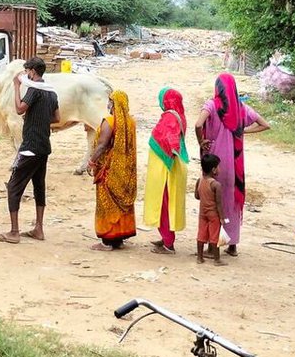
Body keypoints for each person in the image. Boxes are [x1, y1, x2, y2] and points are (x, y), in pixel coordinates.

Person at [194, 73, 269, 256]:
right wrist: (242, 130)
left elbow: (198, 124)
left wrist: (201, 141)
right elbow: (264, 124)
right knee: (232, 201)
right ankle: (232, 244)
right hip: (235, 165)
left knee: (213, 202)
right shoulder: (241, 108)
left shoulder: (212, 105)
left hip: (214, 165)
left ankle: (213, 245)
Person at [0, 57, 59, 245]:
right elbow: (57, 117)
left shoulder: (34, 90)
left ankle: (14, 232)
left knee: (14, 187)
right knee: (39, 186)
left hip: (30, 146)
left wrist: (16, 87)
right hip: (44, 146)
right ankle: (39, 228)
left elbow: (20, 109)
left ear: (31, 72)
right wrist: (41, 119)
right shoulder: (51, 92)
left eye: (26, 71)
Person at [86, 89, 137, 250]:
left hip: (109, 169)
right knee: (121, 203)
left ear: (114, 104)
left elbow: (102, 145)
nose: (108, 104)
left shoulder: (109, 121)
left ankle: (107, 241)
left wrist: (91, 161)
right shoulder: (130, 122)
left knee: (106, 203)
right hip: (125, 171)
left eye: (110, 101)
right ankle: (119, 238)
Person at [143, 88, 189, 255]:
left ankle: (169, 244)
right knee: (166, 203)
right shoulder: (178, 114)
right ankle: (166, 237)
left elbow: (171, 137)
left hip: (166, 168)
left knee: (164, 203)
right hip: (170, 167)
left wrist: (173, 150)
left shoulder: (170, 117)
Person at [194, 154, 227, 265]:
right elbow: (219, 203)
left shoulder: (199, 181)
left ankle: (200, 257)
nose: (219, 169)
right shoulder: (216, 185)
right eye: (218, 166)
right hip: (213, 214)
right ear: (213, 170)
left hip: (202, 213)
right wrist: (222, 217)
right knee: (214, 236)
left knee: (201, 234)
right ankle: (217, 259)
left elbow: (197, 196)